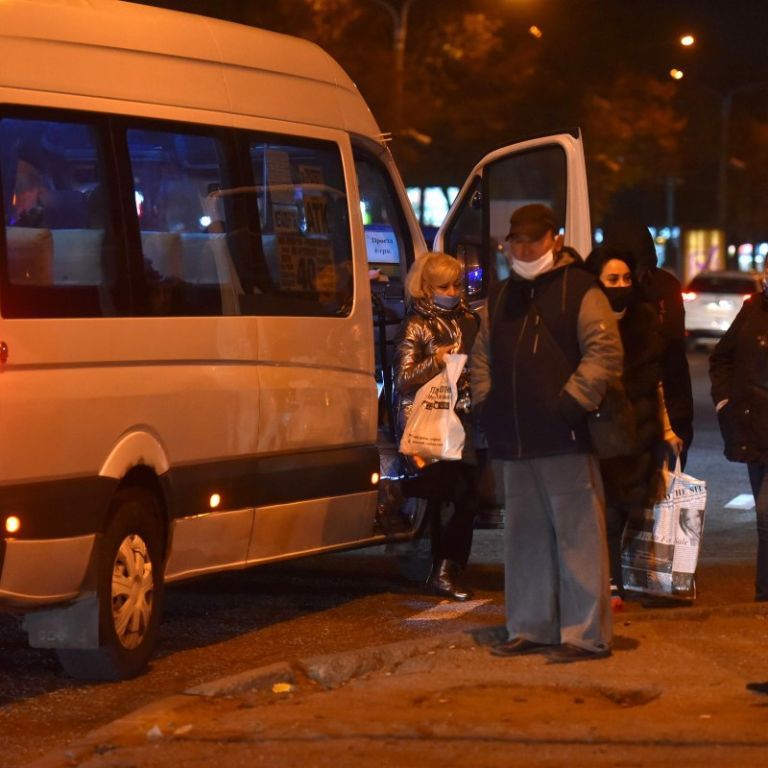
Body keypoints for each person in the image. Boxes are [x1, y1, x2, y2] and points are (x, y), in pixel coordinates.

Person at [472, 203, 623, 663]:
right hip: (515, 438)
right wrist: (488, 403)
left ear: (554, 240)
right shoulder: (501, 296)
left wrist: (570, 405)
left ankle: (586, 635)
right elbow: (481, 355)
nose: (523, 249)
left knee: (579, 538)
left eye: (532, 241)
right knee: (524, 538)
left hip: (564, 437)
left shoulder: (580, 289)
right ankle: (530, 627)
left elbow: (604, 351)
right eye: (515, 241)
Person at [584, 246, 682, 608]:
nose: (621, 286)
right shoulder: (585, 322)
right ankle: (609, 582)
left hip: (641, 432)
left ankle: (629, 577)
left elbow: (656, 383)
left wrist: (667, 430)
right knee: (607, 510)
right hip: (602, 431)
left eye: (626, 278)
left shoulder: (644, 321)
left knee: (634, 508)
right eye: (612, 279)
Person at [386, 251, 480, 601]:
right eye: (444, 286)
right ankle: (445, 570)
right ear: (426, 288)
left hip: (465, 417)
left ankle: (446, 568)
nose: (453, 292)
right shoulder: (417, 324)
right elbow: (403, 379)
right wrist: (437, 361)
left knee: (463, 495)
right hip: (431, 419)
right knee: (455, 494)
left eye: (456, 284)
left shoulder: (470, 319)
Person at [601, 217, 694, 467]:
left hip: (667, 408)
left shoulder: (665, 287)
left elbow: (674, 355)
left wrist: (679, 421)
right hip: (618, 416)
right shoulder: (600, 292)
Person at [709, 258, 768, 602]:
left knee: (765, 512)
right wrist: (724, 401)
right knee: (764, 517)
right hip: (753, 427)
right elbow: (722, 357)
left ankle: (764, 593)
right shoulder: (752, 308)